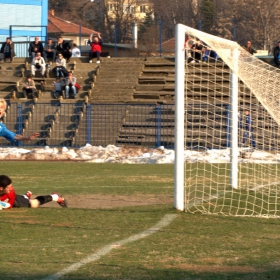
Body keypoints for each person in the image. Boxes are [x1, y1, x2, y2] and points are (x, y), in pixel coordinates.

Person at [0, 175, 67, 209]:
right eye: (9, 187)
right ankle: (26, 196)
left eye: (11, 186)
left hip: (15, 200)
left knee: (34, 204)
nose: (11, 188)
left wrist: (3, 205)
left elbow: (10, 204)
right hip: (5, 198)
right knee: (25, 199)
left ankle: (55, 197)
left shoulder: (11, 192)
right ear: (1, 188)